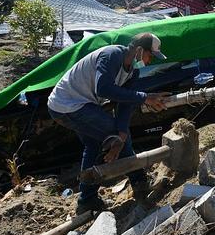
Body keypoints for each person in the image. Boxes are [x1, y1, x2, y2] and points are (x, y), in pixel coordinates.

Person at [47, 32, 170, 214]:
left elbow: (126, 103)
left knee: (97, 144)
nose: (149, 61)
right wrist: (144, 98)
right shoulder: (111, 55)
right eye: (149, 55)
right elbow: (103, 88)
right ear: (138, 50)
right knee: (117, 138)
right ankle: (140, 183)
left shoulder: (133, 72)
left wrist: (121, 132)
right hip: (67, 104)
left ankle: (86, 200)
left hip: (79, 104)